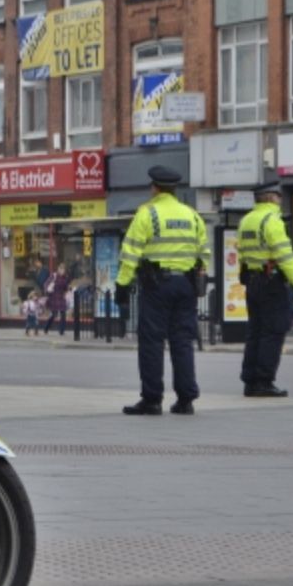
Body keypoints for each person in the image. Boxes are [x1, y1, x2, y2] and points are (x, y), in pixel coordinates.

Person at [113, 166, 209, 416]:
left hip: (157, 286)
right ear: (175, 189)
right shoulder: (192, 215)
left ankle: (152, 399)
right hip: (186, 286)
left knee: (152, 342)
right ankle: (186, 399)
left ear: (154, 188)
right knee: (182, 341)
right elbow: (204, 252)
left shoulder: (148, 214)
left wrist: (122, 285)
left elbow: (131, 252)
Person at [236, 180, 293, 397]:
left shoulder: (246, 220)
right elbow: (284, 256)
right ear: (271, 197)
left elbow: (242, 251)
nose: (280, 200)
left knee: (255, 331)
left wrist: (244, 271)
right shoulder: (272, 220)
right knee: (273, 331)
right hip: (272, 282)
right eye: (278, 196)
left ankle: (250, 379)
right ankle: (264, 381)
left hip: (254, 281)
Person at [42, 263, 70, 335]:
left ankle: (61, 331)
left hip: (61, 297)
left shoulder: (65, 278)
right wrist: (47, 291)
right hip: (53, 297)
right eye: (60, 269)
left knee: (63, 314)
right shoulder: (54, 276)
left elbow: (66, 288)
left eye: (63, 269)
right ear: (58, 269)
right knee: (54, 315)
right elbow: (46, 284)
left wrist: (68, 289)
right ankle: (46, 328)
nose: (62, 271)